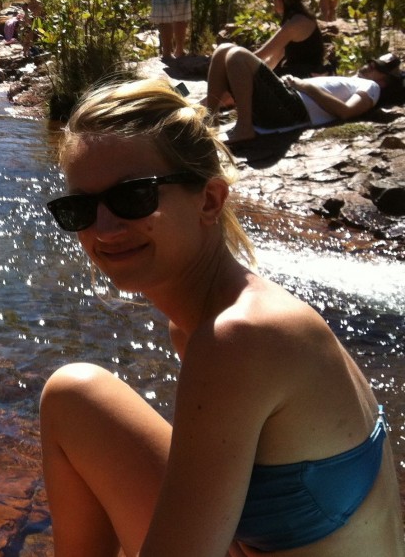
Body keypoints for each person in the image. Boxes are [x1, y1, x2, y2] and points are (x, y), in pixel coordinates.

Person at [40, 78, 405, 556]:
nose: (103, 229)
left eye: (133, 198)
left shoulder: (241, 336)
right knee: (75, 395)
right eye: (79, 209)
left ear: (209, 200)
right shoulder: (205, 324)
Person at [206, 46, 401, 143]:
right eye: (372, 61)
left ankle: (244, 128)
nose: (370, 64)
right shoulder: (357, 80)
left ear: (384, 81)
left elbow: (347, 112)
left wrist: (303, 86)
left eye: (377, 67)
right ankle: (210, 121)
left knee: (237, 55)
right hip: (286, 100)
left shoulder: (372, 87)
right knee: (223, 50)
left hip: (292, 108)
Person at [216, 0, 327, 81]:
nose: (273, 3)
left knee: (233, 59)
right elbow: (274, 58)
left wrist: (232, 62)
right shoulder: (300, 17)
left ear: (280, 0)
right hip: (300, 74)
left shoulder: (295, 24)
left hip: (303, 77)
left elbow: (261, 54)